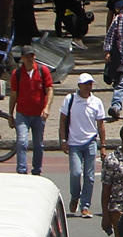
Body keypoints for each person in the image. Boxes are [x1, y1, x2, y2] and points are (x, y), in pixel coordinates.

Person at [61, 71, 110, 217]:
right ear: (79, 86)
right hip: (74, 143)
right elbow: (62, 120)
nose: (88, 87)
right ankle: (75, 196)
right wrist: (63, 140)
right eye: (86, 84)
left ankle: (85, 206)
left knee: (89, 177)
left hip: (90, 142)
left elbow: (101, 125)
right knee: (76, 173)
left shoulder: (96, 102)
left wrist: (103, 145)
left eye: (90, 84)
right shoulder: (70, 99)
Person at [9, 43, 54, 175]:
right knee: (22, 142)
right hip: (22, 114)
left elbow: (50, 90)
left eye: (32, 56)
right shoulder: (17, 74)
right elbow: (13, 95)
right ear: (22, 58)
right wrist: (11, 115)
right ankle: (22, 171)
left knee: (38, 144)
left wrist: (47, 108)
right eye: (27, 56)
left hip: (39, 115)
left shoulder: (42, 70)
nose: (30, 59)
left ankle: (36, 171)